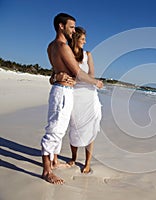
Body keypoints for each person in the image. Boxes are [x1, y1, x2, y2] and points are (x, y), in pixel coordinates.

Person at [41, 13, 103, 184]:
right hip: (63, 93)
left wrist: (55, 77)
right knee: (55, 130)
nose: (73, 30)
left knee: (59, 129)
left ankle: (53, 161)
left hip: (62, 90)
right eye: (71, 27)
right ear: (61, 26)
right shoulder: (63, 46)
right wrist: (95, 82)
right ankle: (46, 171)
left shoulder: (50, 46)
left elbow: (55, 71)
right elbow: (77, 72)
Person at [52, 27, 102, 173]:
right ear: (76, 38)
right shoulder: (66, 53)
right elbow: (54, 75)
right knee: (74, 128)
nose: (85, 42)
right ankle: (74, 158)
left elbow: (91, 74)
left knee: (90, 129)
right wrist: (61, 78)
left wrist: (82, 79)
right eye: (82, 39)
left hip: (89, 96)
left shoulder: (88, 55)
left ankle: (87, 162)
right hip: (73, 95)